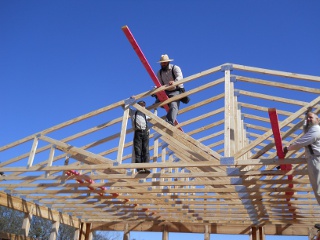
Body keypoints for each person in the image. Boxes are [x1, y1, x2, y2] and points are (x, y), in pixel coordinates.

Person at [283, 111, 320, 205]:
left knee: (319, 189)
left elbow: (301, 142)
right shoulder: (312, 129)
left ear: (317, 120)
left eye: (310, 117)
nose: (308, 119)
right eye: (307, 118)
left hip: (316, 160)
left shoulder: (316, 129)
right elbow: (306, 129)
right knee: (317, 189)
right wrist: (306, 118)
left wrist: (288, 148)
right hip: (314, 159)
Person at [156, 54, 184, 126]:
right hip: (166, 91)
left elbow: (180, 77)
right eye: (162, 63)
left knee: (173, 105)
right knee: (157, 104)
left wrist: (174, 82)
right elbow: (159, 83)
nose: (163, 64)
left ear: (168, 62)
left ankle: (170, 122)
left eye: (164, 62)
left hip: (176, 90)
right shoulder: (159, 73)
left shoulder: (175, 68)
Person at [129, 99, 151, 174]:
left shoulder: (146, 114)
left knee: (146, 150)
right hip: (137, 131)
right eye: (141, 105)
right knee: (138, 150)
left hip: (145, 132)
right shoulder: (133, 112)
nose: (143, 107)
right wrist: (131, 100)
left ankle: (146, 167)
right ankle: (139, 168)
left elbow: (153, 117)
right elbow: (124, 106)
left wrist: (155, 109)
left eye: (144, 105)